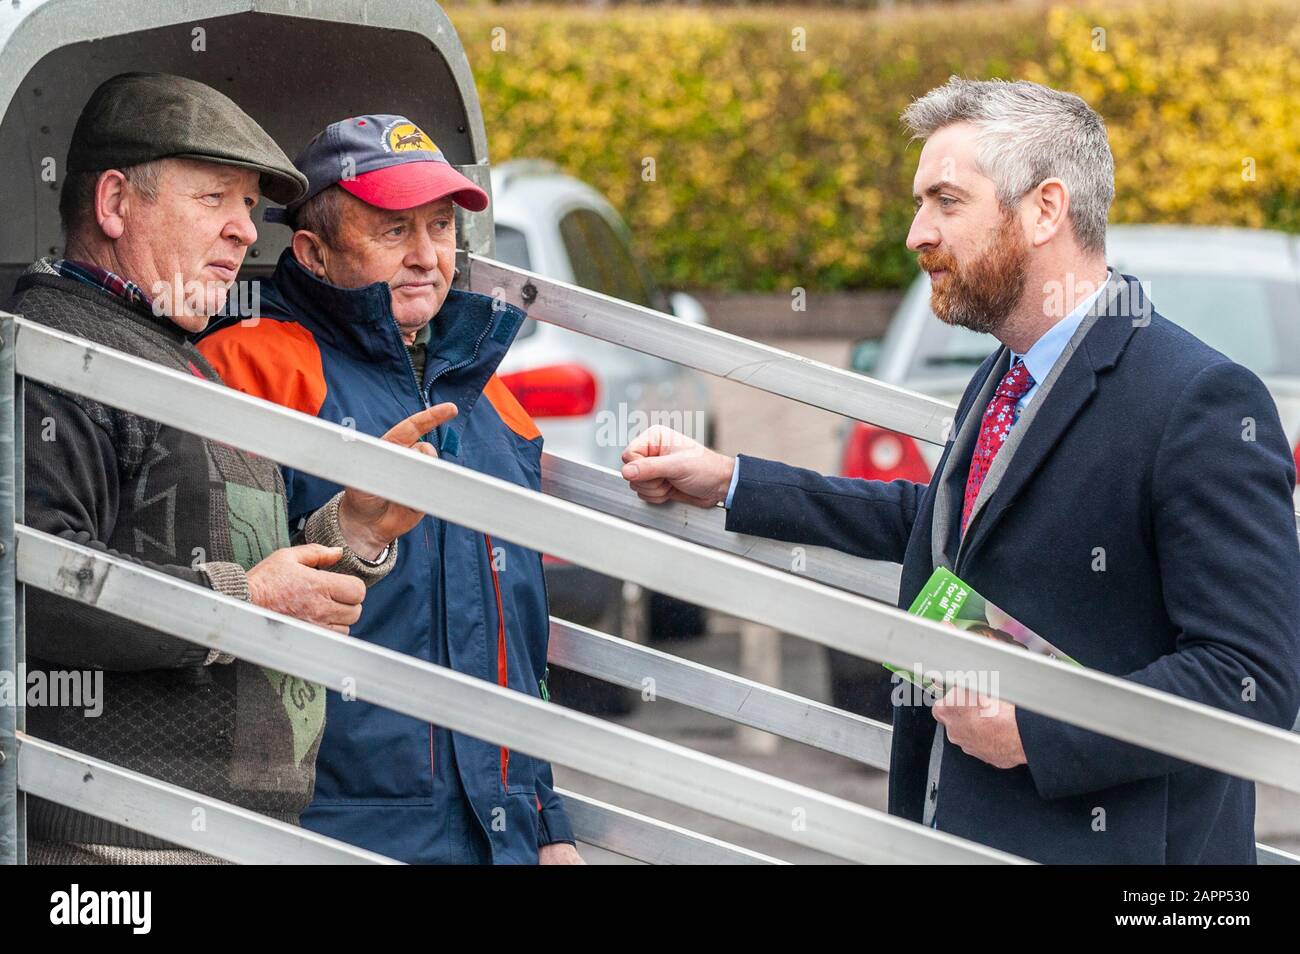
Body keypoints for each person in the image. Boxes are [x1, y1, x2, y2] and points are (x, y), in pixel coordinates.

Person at [617, 77, 1300, 864]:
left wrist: (1041, 731)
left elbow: (1252, 678)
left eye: (946, 201)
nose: (916, 233)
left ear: (1046, 209)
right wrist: (736, 481)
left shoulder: (1200, 399)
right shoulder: (1009, 371)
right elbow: (950, 526)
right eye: (920, 203)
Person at [11, 73, 440, 864]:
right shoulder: (55, 352)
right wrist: (247, 600)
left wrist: (350, 528)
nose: (246, 231)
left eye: (249, 206)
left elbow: (228, 557)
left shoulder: (166, 352)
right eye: (216, 198)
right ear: (114, 204)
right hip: (112, 855)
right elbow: (31, 589)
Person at [198, 115, 580, 864]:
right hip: (328, 832)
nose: (426, 256)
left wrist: (545, 819)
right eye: (392, 230)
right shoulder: (251, 372)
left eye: (440, 226)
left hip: (493, 835)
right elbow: (213, 599)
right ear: (311, 251)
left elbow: (518, 639)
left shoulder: (493, 400)